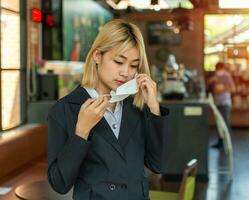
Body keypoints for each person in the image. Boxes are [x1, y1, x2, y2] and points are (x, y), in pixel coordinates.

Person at [47, 19, 169, 200]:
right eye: (119, 61)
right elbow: (59, 183)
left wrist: (154, 108)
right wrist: (81, 132)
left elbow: (157, 165)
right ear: (97, 56)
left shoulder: (137, 107)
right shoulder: (64, 109)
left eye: (134, 65)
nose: (126, 72)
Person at [208, 62, 235, 149]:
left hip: (225, 103)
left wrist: (222, 89)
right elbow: (209, 83)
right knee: (219, 123)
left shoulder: (226, 76)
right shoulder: (216, 77)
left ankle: (227, 143)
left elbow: (233, 88)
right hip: (218, 102)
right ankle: (220, 142)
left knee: (224, 123)